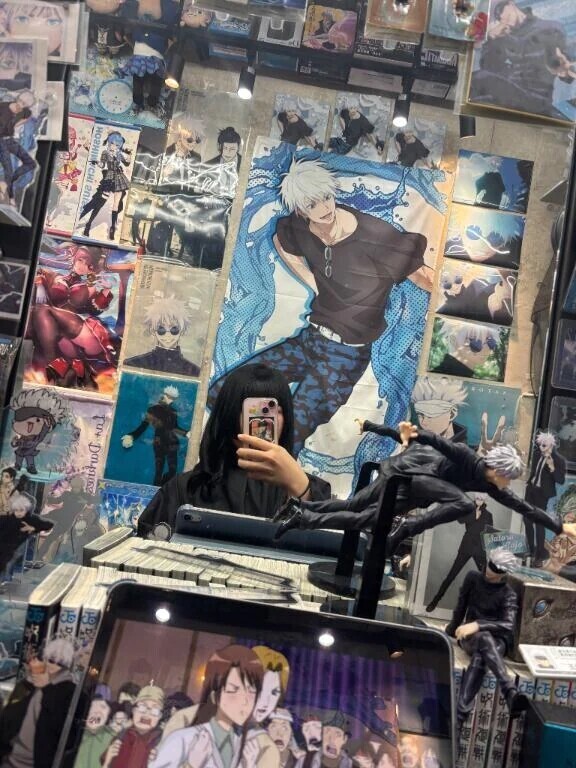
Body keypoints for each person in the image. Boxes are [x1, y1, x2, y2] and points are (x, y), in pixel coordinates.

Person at [207, 159, 431, 454]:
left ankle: (266, 466)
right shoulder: (299, 227)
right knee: (225, 391)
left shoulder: (376, 236)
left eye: (326, 197)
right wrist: (312, 281)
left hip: (343, 358)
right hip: (310, 341)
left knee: (289, 436)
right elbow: (280, 241)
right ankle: (252, 449)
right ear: (301, 210)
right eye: (312, 204)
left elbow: (423, 276)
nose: (324, 207)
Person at [273, 421, 576, 549]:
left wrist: (560, 526)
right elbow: (436, 440)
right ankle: (405, 528)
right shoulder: (467, 456)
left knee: (359, 510)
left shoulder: (491, 485)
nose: (507, 483)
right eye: (507, 476)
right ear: (497, 469)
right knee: (361, 511)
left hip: (412, 484)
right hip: (408, 476)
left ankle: (301, 511)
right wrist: (408, 431)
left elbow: (522, 506)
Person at [138, 364, 331, 536]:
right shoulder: (183, 489)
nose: (262, 421)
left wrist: (301, 488)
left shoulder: (310, 489)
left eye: (275, 411)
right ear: (229, 414)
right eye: (252, 410)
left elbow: (325, 549)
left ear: (286, 418)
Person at [149, 645, 263, 768]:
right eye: (233, 690)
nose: (245, 700)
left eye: (251, 691)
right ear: (214, 696)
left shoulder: (246, 749)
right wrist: (191, 765)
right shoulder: (183, 739)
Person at [447, 549, 526, 726]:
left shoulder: (508, 594)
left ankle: (458, 721)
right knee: (483, 640)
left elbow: (508, 625)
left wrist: (479, 624)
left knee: (480, 657)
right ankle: (509, 691)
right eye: (490, 565)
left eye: (496, 569)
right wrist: (452, 629)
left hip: (497, 642)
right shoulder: (473, 578)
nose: (490, 570)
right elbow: (461, 606)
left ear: (504, 573)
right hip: (471, 638)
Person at [470, 0, 569, 119]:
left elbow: (543, 54)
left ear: (511, 3)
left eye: (500, 10)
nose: (502, 18)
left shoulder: (549, 27)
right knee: (478, 99)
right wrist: (492, 39)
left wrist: (504, 38)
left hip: (536, 98)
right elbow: (490, 67)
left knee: (480, 78)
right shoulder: (505, 36)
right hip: (512, 93)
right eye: (497, 17)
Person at [426, 494, 494, 613]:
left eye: (481, 499)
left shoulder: (488, 515)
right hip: (466, 547)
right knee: (451, 575)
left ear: (485, 500)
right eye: (477, 498)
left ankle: (489, 608)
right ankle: (435, 600)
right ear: (475, 498)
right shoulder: (468, 510)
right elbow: (460, 520)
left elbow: (489, 534)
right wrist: (475, 515)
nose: (479, 500)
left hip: (479, 550)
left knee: (487, 578)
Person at [121, 385, 189, 487]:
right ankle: (155, 490)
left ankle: (163, 488)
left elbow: (174, 427)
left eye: (172, 398)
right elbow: (144, 425)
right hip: (159, 443)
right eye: (168, 396)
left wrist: (186, 433)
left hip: (173, 443)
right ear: (164, 395)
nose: (170, 400)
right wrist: (132, 436)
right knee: (159, 470)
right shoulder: (153, 409)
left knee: (173, 471)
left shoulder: (173, 411)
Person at [123, 296, 200, 376]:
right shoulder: (133, 364)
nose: (167, 334)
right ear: (152, 330)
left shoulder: (194, 371)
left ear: (182, 330)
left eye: (174, 329)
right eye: (161, 329)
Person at [78, 131, 132, 239]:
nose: (113, 146)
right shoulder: (105, 153)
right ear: (109, 142)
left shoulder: (119, 154)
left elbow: (127, 163)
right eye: (112, 143)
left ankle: (112, 229)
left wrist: (129, 155)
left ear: (119, 145)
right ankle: (88, 225)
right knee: (99, 203)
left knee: (116, 204)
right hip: (109, 178)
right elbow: (102, 165)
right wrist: (97, 162)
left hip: (119, 179)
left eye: (116, 145)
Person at [525, 431, 566, 567]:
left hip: (542, 494)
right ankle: (531, 550)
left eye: (544, 446)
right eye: (540, 445)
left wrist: (552, 467)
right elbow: (534, 472)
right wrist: (529, 483)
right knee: (527, 520)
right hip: (531, 490)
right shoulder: (537, 454)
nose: (541, 448)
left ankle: (539, 555)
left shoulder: (558, 460)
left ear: (551, 446)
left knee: (539, 523)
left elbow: (560, 480)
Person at [0, 91, 37, 207]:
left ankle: (8, 181)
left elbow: (27, 117)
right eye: (20, 101)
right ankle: (11, 197)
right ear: (17, 98)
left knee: (31, 163)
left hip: (9, 140)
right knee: (8, 170)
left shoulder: (26, 112)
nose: (20, 105)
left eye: (24, 104)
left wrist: (14, 126)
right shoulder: (3, 107)